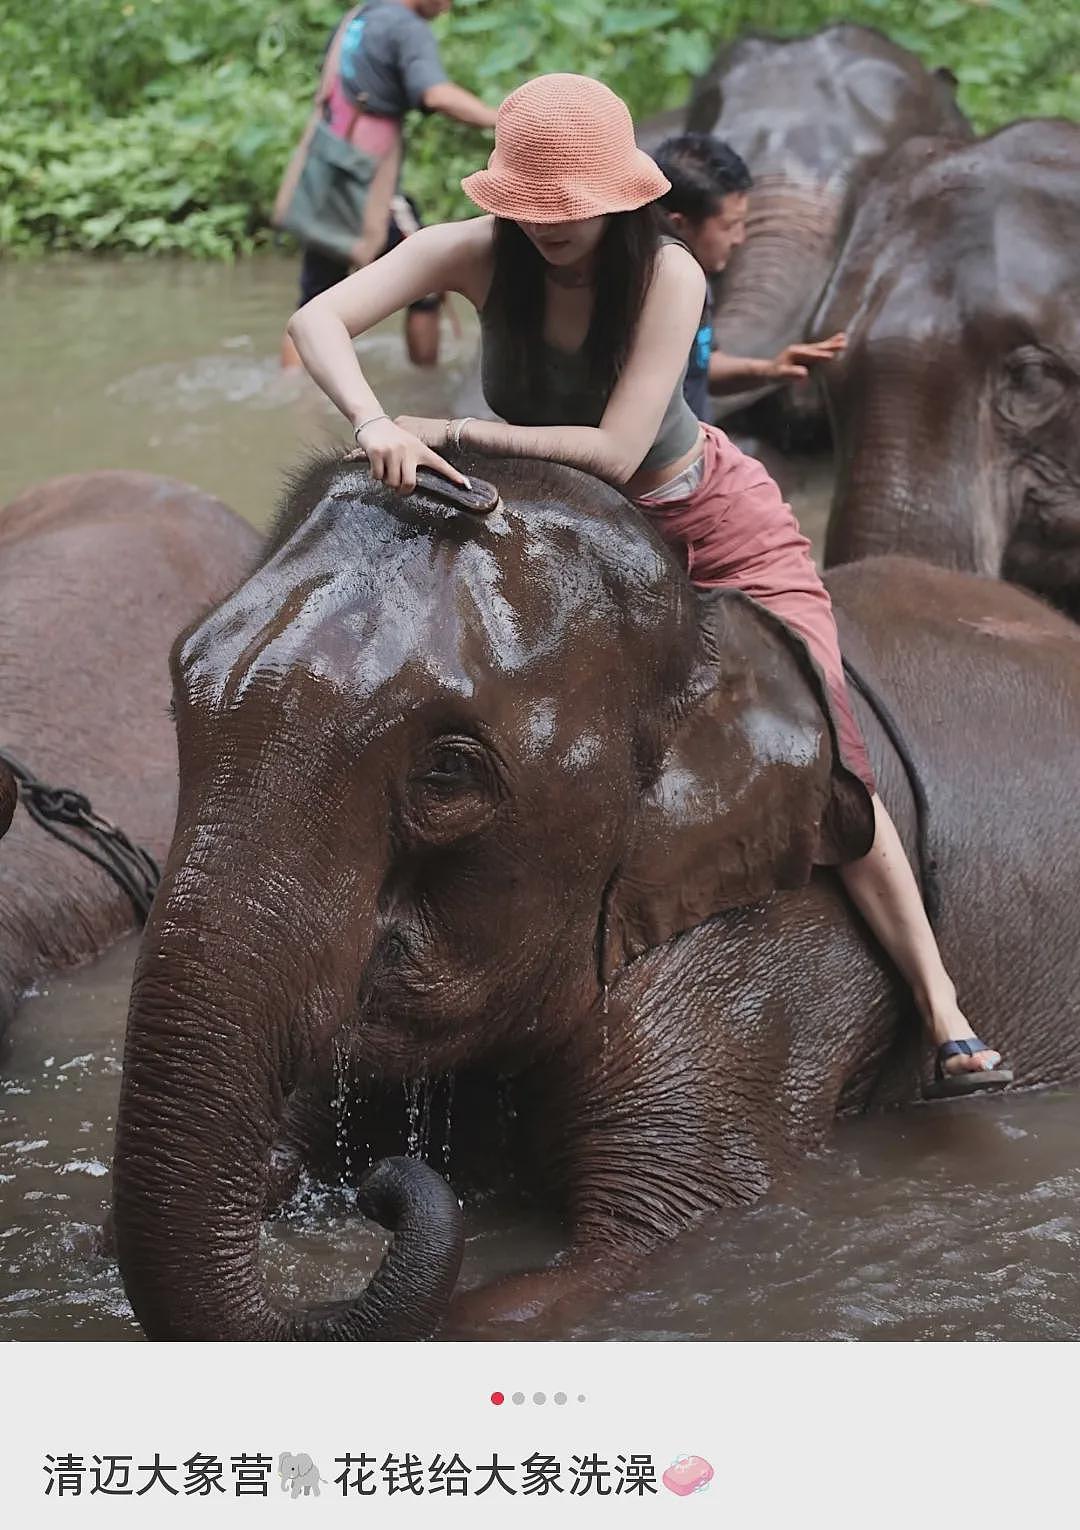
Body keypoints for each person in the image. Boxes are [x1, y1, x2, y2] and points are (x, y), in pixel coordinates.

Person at [287, 73, 1012, 1096]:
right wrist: (370, 424)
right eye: (532, 210)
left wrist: (442, 431)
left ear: (624, 198)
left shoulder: (668, 273)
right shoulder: (474, 251)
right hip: (555, 529)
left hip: (702, 524)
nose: (551, 229)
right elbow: (321, 319)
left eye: (572, 210)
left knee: (826, 751)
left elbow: (623, 450)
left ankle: (943, 1008)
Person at [279, 0, 496, 369]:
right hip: (365, 186)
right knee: (430, 277)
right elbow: (436, 94)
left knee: (314, 299)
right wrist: (502, 119)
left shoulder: (358, 18)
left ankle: (293, 393)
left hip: (328, 175)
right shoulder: (406, 27)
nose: (449, 6)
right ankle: (428, 390)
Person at [652, 132, 846, 421]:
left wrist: (769, 370)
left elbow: (699, 368)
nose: (740, 239)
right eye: (729, 226)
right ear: (677, 225)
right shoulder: (640, 298)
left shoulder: (694, 278)